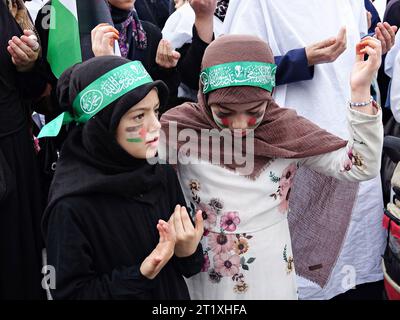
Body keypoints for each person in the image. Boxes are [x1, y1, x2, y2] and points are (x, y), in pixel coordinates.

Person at [160, 34, 383, 300]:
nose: (241, 126)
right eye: (224, 113)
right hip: (203, 270)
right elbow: (127, 163)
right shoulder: (181, 130)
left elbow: (360, 167)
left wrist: (359, 92)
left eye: (254, 111)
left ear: (269, 96)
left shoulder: (288, 131)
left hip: (270, 268)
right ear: (205, 97)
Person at [223, 0, 395, 300]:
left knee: (356, 269)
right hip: (295, 149)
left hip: (351, 141)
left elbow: (350, 63)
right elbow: (230, 75)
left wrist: (375, 47)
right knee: (300, 275)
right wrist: (300, 60)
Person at [40, 56, 204, 299]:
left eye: (156, 111)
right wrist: (141, 274)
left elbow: (187, 267)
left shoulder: (160, 173)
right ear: (103, 125)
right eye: (139, 116)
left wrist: (187, 250)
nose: (156, 125)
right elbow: (70, 293)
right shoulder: (70, 206)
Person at [0, 0, 46, 299]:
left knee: (19, 266)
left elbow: (33, 91)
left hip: (14, 151)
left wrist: (28, 64)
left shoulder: (11, 10)